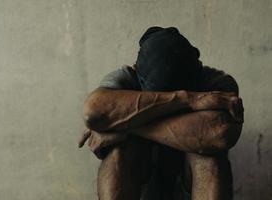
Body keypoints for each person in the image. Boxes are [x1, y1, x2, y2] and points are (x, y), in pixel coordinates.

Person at [78, 26, 244, 200]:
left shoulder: (216, 85)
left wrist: (122, 128)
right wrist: (187, 99)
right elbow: (92, 113)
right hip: (142, 183)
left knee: (209, 160)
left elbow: (219, 135)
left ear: (199, 69)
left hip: (191, 183)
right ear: (135, 70)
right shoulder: (126, 79)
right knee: (117, 155)